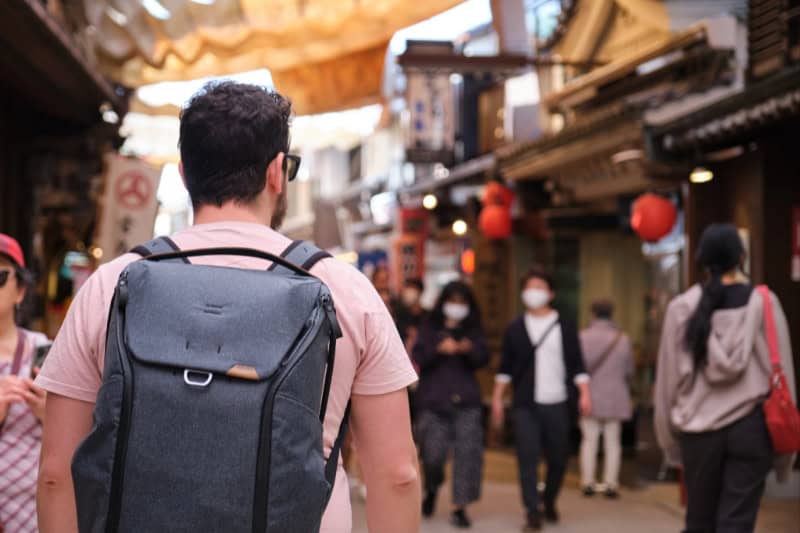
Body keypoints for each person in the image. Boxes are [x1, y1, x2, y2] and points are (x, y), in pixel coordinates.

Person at [35, 82, 421, 533]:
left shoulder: (112, 284)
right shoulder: (345, 290)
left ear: (183, 174)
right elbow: (397, 476)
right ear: (277, 172)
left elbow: (56, 473)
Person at [654, 223, 796, 533]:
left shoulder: (681, 310)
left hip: (698, 431)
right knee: (737, 524)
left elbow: (666, 384)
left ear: (702, 261)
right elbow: (783, 373)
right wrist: (786, 456)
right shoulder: (765, 304)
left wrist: (670, 445)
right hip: (752, 428)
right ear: (742, 257)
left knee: (699, 523)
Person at [491, 266, 591, 531]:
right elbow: (506, 367)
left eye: (539, 287)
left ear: (551, 293)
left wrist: (584, 393)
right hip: (526, 404)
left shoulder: (565, 326)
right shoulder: (515, 328)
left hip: (558, 401)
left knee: (558, 458)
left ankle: (549, 500)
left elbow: (577, 363)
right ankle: (532, 510)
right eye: (529, 287)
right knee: (527, 457)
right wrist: (498, 399)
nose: (533, 292)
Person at [413, 281, 489, 529]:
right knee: (432, 456)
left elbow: (483, 358)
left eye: (462, 303)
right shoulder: (429, 327)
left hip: (467, 402)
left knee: (467, 454)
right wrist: (439, 348)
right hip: (434, 401)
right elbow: (419, 357)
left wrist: (466, 348)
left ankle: (460, 507)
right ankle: (432, 486)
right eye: (452, 301)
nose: (457, 307)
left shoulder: (473, 330)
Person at [0, 233, 49, 533]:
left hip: (26, 518)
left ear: (20, 291)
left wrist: (50, 412)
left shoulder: (43, 351)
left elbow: (72, 437)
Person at [579, 298, 634, 499]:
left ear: (592, 313)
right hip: (616, 396)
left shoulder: (582, 337)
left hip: (589, 396)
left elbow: (578, 369)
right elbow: (629, 370)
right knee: (613, 442)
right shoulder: (623, 339)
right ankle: (611, 484)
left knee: (589, 441)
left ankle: (587, 483)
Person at [396, 277, 428, 349]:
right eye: (407, 288)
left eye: (412, 288)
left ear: (420, 291)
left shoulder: (428, 316)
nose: (408, 292)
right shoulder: (399, 315)